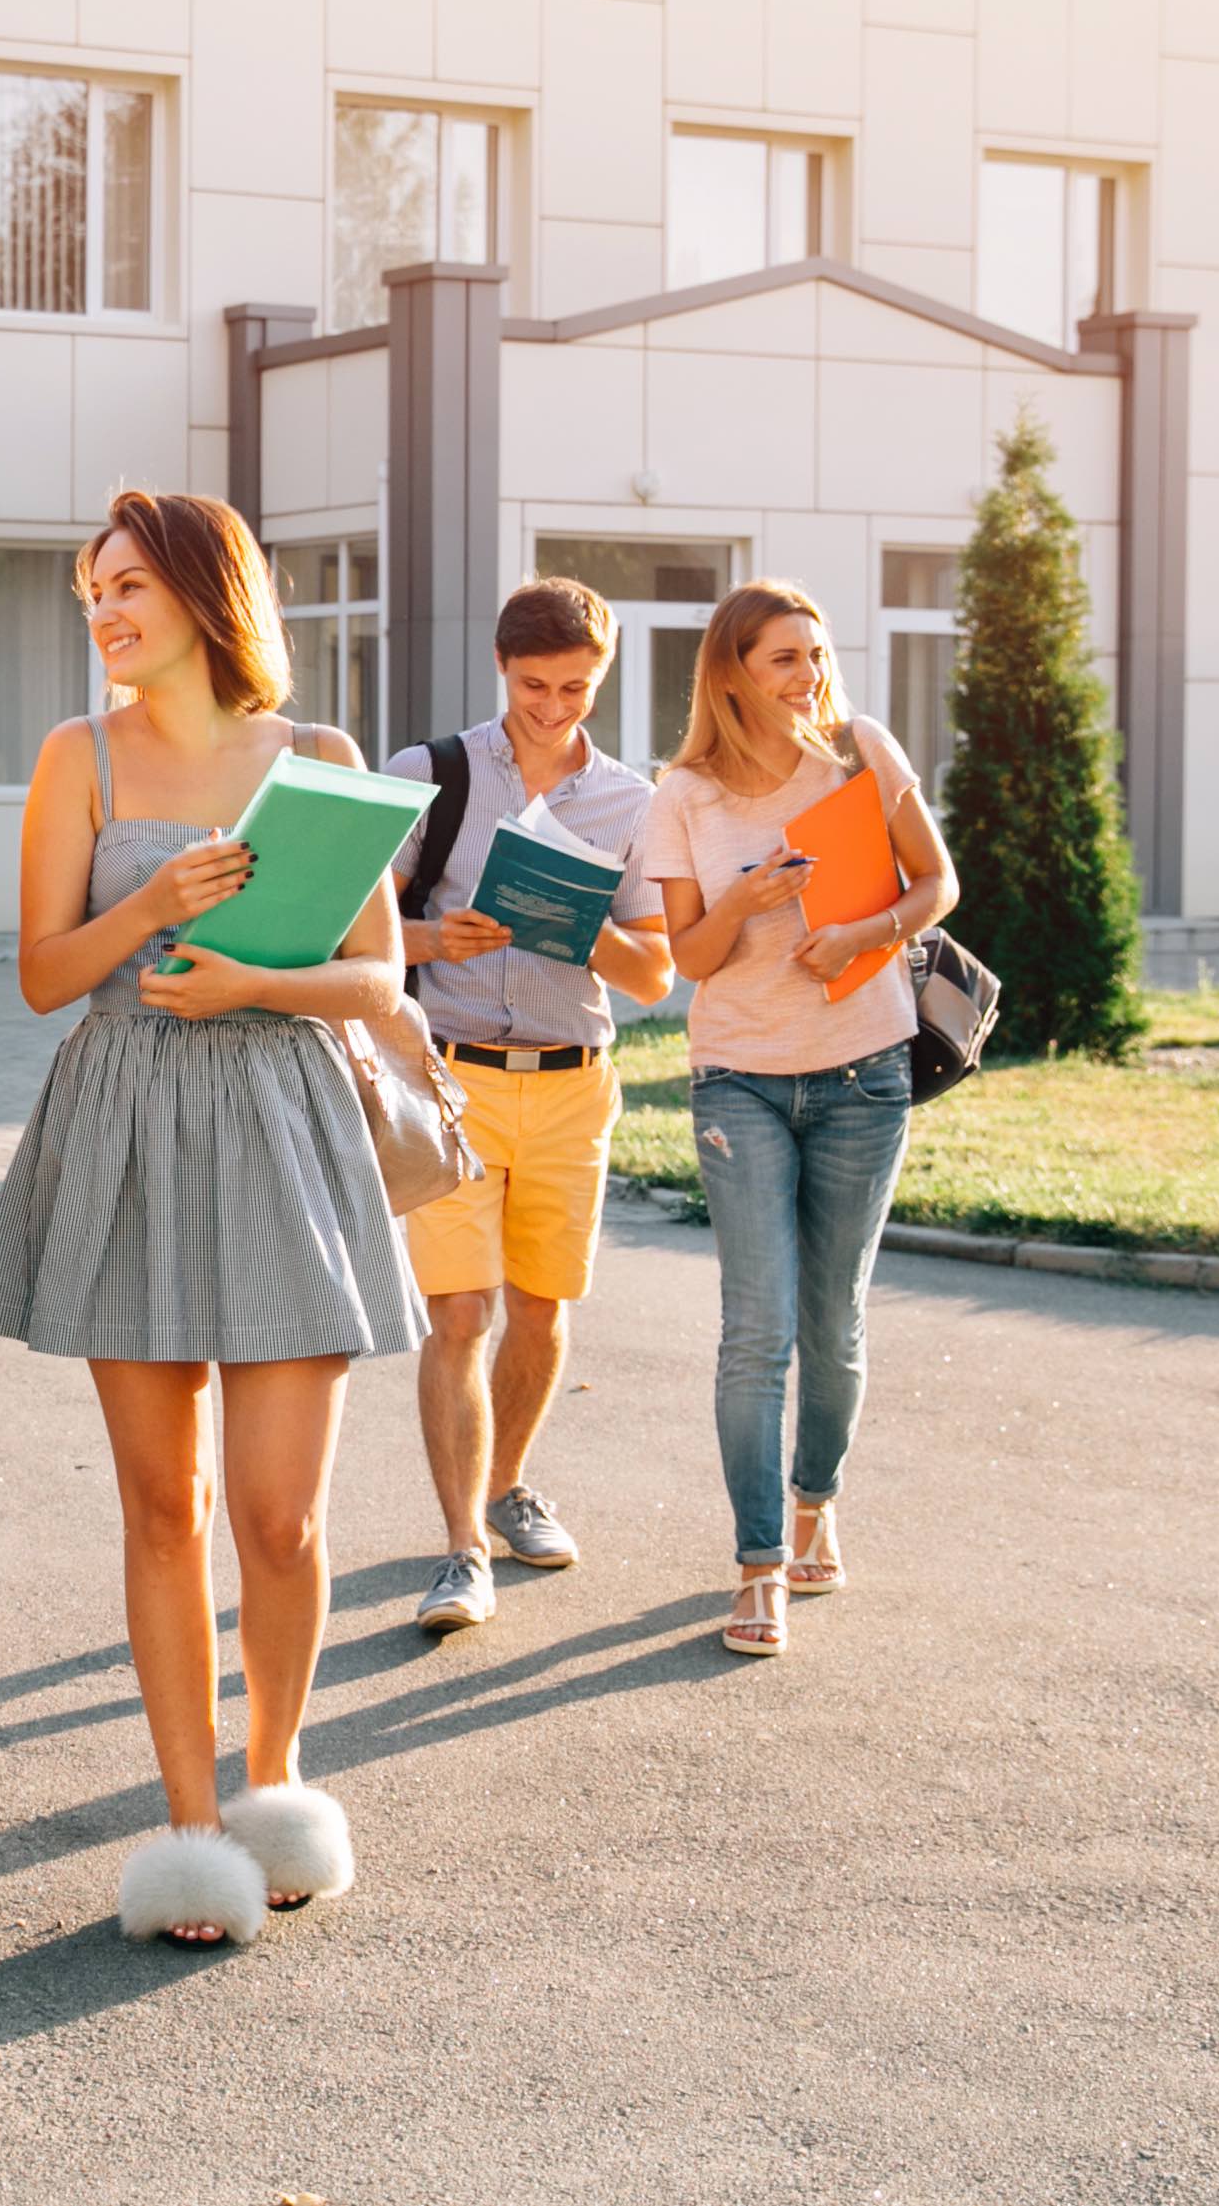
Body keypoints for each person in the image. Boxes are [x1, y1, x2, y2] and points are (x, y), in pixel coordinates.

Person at [0, 489, 419, 1950]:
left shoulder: (323, 759)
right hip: (133, 1123)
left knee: (281, 1517)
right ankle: (181, 1822)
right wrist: (153, 899)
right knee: (164, 1506)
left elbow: (380, 982)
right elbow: (42, 974)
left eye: (123, 587)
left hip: (286, 1122)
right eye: (88, 591)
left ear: (201, 590)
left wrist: (256, 985)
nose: (101, 613)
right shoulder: (74, 756)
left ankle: (277, 1788)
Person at [640, 581, 960, 1661]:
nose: (808, 675)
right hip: (738, 1078)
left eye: (815, 654)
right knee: (754, 1328)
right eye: (783, 658)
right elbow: (683, 957)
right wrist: (752, 898)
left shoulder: (860, 752)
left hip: (865, 1070)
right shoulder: (681, 791)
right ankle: (758, 1562)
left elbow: (937, 884)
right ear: (730, 670)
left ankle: (817, 1496)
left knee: (833, 1318)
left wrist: (860, 930)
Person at [382, 578, 677, 1634]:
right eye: (533, 684)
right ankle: (462, 1548)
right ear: (499, 668)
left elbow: (651, 975)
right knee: (460, 1311)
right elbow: (344, 924)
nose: (553, 706)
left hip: (572, 1080)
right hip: (449, 1078)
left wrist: (576, 924)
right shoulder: (428, 774)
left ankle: (507, 1482)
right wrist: (434, 938)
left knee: (542, 1307)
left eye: (575, 687)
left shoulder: (634, 803)